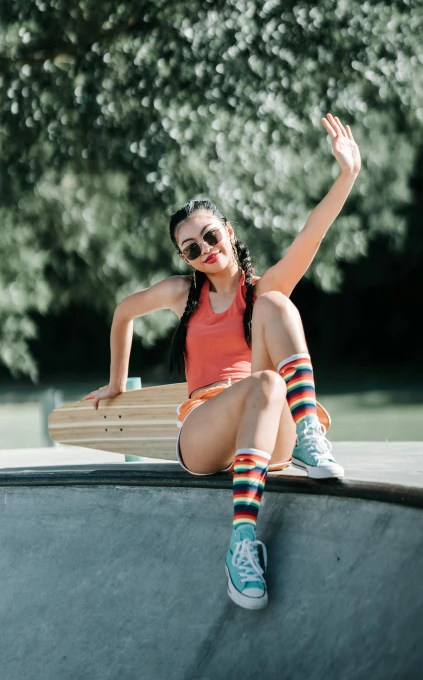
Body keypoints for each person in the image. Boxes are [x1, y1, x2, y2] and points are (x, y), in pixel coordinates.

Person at [83, 113, 361, 610]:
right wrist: (116, 383)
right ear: (184, 258)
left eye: (211, 237)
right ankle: (241, 546)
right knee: (264, 385)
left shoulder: (259, 294)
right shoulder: (179, 296)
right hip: (204, 431)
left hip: (270, 424)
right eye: (191, 248)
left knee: (276, 310)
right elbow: (123, 313)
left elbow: (310, 237)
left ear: (229, 232)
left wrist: (347, 175)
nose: (205, 250)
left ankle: (310, 440)